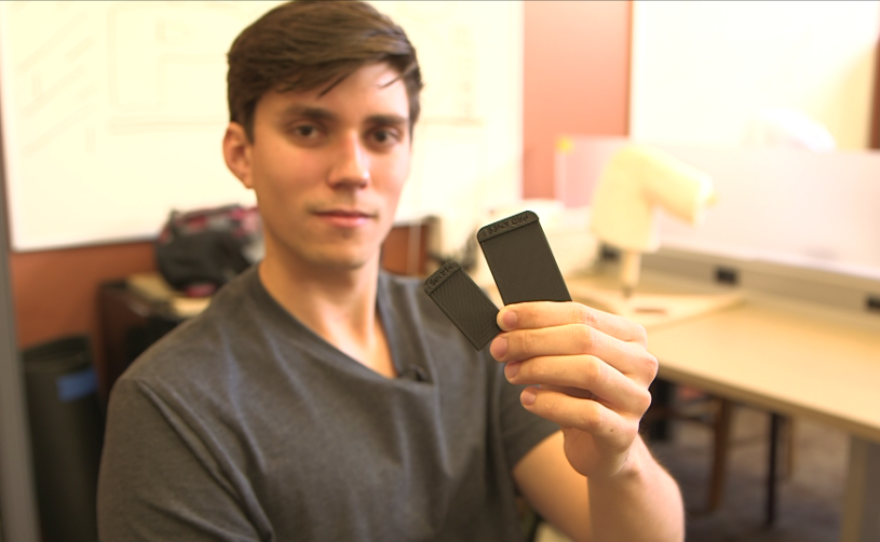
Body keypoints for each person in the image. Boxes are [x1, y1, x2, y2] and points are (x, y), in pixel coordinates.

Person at [97, 1, 684, 540]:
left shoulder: (475, 328)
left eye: (382, 134)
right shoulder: (171, 403)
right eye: (308, 129)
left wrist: (620, 459)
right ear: (240, 153)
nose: (353, 170)